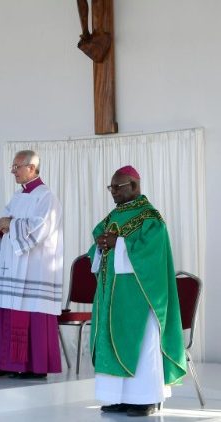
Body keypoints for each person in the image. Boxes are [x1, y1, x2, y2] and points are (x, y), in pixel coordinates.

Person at [90, 166, 186, 417]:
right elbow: (99, 240)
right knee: (113, 341)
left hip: (140, 296)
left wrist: (118, 243)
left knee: (143, 346)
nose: (113, 193)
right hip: (112, 295)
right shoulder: (114, 215)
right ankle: (119, 397)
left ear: (134, 185)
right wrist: (100, 245)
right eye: (110, 187)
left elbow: (151, 254)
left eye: (117, 187)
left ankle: (145, 400)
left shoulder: (150, 218)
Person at [0, 150, 63, 379]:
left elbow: (41, 228)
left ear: (31, 168)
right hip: (13, 265)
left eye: (17, 166)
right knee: (8, 310)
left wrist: (12, 224)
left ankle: (33, 367)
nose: (13, 171)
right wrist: (4, 226)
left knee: (31, 314)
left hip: (34, 269)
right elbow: (4, 222)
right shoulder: (18, 196)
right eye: (13, 166)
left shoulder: (46, 197)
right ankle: (5, 362)